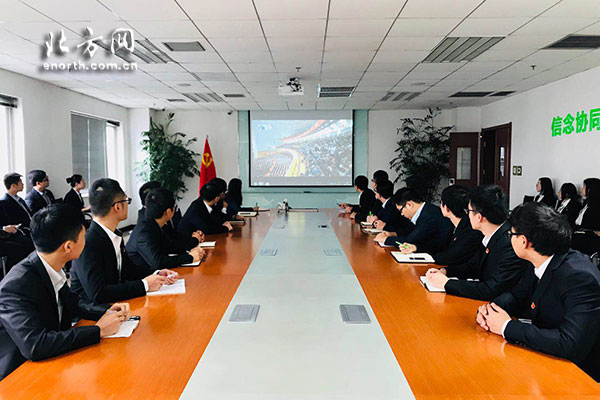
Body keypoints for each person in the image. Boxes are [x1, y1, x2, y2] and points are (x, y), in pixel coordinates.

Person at [0, 204, 129, 380]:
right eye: (83, 236)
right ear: (68, 246)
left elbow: (73, 303)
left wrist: (107, 311)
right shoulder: (16, 286)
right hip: (19, 375)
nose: (86, 240)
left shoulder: (50, 265)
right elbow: (36, 345)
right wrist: (98, 330)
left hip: (54, 362)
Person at [476, 202, 600, 381]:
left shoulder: (578, 277)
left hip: (578, 376)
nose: (509, 239)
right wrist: (491, 310)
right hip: (548, 358)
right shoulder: (543, 259)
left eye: (511, 234)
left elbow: (570, 344)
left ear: (523, 241)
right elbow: (516, 296)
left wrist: (506, 326)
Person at [71, 178, 177, 305]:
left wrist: (157, 273)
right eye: (127, 201)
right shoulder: (88, 242)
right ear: (117, 207)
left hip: (117, 305)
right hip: (94, 311)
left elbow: (128, 270)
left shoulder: (114, 234)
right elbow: (98, 293)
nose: (127, 205)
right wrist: (145, 285)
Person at [426, 184, 526, 301]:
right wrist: (445, 271)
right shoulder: (492, 235)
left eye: (468, 211)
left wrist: (447, 283)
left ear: (479, 217)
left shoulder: (510, 243)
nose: (467, 215)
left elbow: (490, 290)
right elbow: (473, 266)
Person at [396, 185, 482, 266]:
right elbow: (439, 245)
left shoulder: (470, 230)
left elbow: (449, 257)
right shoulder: (459, 225)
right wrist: (416, 248)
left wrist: (428, 258)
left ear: (446, 208)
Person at [126, 188, 205, 271]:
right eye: (175, 207)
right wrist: (190, 257)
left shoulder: (156, 224)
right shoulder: (144, 231)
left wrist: (191, 250)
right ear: (168, 211)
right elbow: (158, 262)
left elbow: (171, 246)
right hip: (143, 275)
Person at [376, 187, 453, 254]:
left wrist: (386, 239)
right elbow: (409, 232)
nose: (402, 214)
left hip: (438, 257)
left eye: (401, 210)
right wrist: (392, 234)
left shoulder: (429, 217)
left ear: (409, 205)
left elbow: (409, 241)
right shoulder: (426, 210)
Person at [0, 173, 34, 271]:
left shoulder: (20, 200)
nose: (23, 184)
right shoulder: (4, 202)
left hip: (23, 229)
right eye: (20, 182)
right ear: (13, 185)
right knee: (26, 245)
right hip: (17, 231)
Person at [572, 178, 600, 255]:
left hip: (589, 238)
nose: (582, 189)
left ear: (590, 190)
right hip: (580, 234)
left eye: (584, 187)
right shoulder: (586, 203)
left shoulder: (596, 206)